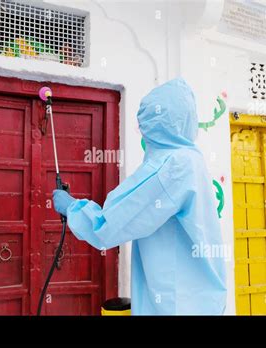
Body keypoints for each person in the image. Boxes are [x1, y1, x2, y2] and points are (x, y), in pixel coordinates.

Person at [52, 78, 227, 315]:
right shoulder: (191, 159)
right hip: (200, 303)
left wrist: (72, 207)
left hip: (175, 307)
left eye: (145, 125)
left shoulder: (172, 167)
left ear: (155, 126)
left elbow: (108, 225)